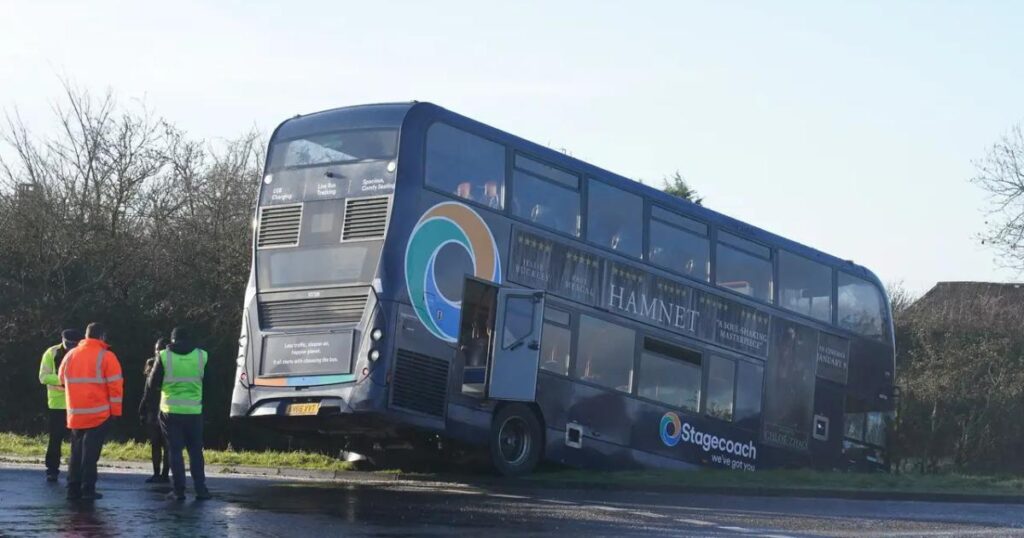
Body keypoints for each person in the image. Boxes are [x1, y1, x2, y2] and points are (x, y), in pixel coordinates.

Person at [142, 326, 211, 501]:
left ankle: (178, 491)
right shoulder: (202, 356)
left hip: (170, 411)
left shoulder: (164, 356)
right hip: (194, 411)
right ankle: (201, 489)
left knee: (174, 451)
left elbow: (152, 383)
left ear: (172, 340)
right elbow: (211, 383)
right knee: (196, 451)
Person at [58, 322, 123, 501]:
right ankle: (88, 489)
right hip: (98, 414)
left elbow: (61, 379)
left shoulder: (71, 354)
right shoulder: (107, 356)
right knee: (90, 453)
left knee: (76, 451)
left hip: (75, 413)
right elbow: (115, 387)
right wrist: (116, 412)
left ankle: (72, 488)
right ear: (102, 336)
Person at [38, 328, 82, 482]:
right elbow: (43, 376)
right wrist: (63, 380)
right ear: (62, 340)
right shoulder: (51, 352)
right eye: (68, 344)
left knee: (77, 440)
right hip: (57, 404)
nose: (70, 347)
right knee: (55, 439)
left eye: (73, 344)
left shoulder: (81, 352)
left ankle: (75, 471)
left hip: (77, 403)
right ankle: (52, 469)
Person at [138, 338, 170, 483]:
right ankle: (158, 473)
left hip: (163, 409)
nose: (157, 352)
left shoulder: (160, 366)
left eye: (159, 349)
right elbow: (146, 392)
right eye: (156, 349)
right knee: (157, 444)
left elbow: (148, 390)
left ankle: (163, 474)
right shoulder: (152, 364)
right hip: (155, 411)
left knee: (163, 445)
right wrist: (142, 409)